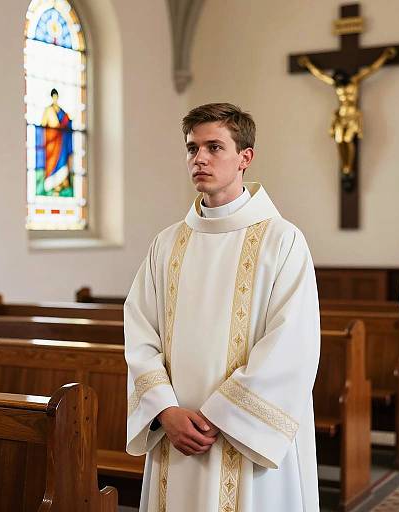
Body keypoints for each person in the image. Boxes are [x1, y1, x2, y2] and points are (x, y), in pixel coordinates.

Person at [125, 103, 320, 511]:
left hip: (243, 438)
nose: (200, 158)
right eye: (192, 148)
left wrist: (220, 416)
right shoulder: (167, 244)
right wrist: (164, 410)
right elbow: (140, 330)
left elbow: (293, 344)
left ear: (245, 157)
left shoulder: (282, 241)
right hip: (176, 431)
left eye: (214, 147)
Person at [298, 47, 396, 177]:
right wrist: (308, 64)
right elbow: (320, 75)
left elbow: (371, 69)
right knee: (339, 140)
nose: (338, 83)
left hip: (352, 116)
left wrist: (385, 57)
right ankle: (345, 166)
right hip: (341, 116)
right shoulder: (336, 84)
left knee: (348, 140)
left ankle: (349, 166)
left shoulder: (354, 82)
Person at [39, 88, 73, 196]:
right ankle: (51, 186)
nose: (55, 98)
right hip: (52, 144)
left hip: (61, 144)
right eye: (53, 96)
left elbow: (66, 125)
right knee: (51, 163)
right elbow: (43, 125)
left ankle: (62, 184)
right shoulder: (48, 110)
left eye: (56, 96)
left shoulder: (62, 111)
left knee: (62, 162)